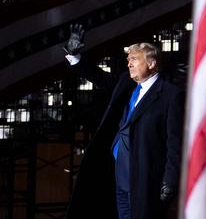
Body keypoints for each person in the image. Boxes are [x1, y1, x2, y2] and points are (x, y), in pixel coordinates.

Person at [64, 24, 183, 219]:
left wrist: (170, 179)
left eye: (134, 59)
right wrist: (74, 56)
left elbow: (174, 142)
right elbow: (98, 77)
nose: (129, 63)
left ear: (152, 63)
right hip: (119, 173)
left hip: (146, 175)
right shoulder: (126, 83)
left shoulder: (171, 95)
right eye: (128, 59)